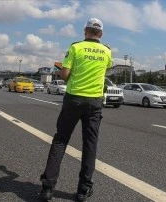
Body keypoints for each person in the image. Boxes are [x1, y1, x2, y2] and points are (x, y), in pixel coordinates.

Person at [40, 18, 112, 202]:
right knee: (90, 144)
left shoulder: (75, 47)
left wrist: (69, 76)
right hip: (94, 102)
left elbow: (64, 74)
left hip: (74, 99)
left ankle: (48, 188)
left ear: (85, 30)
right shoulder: (107, 51)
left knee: (61, 140)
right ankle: (83, 190)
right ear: (101, 34)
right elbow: (106, 70)